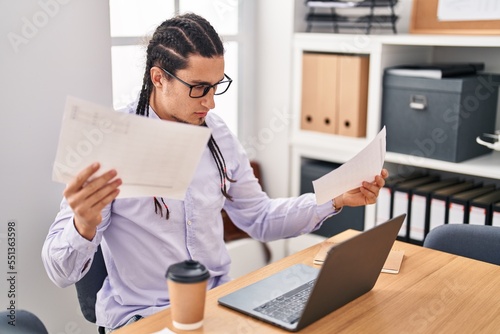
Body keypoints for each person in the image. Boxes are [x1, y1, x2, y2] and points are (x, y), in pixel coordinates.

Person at [42, 13, 388, 332]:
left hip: (217, 307)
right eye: (198, 88)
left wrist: (334, 198)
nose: (210, 102)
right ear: (158, 78)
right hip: (145, 318)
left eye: (216, 85)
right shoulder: (111, 143)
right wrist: (83, 226)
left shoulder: (216, 133)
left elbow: (260, 217)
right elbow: (59, 271)